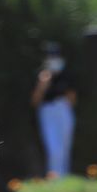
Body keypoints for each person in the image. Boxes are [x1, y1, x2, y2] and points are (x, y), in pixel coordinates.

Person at [30, 44, 76, 178]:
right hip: (47, 111)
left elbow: (72, 99)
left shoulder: (66, 75)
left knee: (65, 148)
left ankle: (65, 179)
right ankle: (55, 179)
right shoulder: (41, 76)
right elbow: (34, 101)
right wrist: (43, 85)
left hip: (63, 109)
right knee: (53, 148)